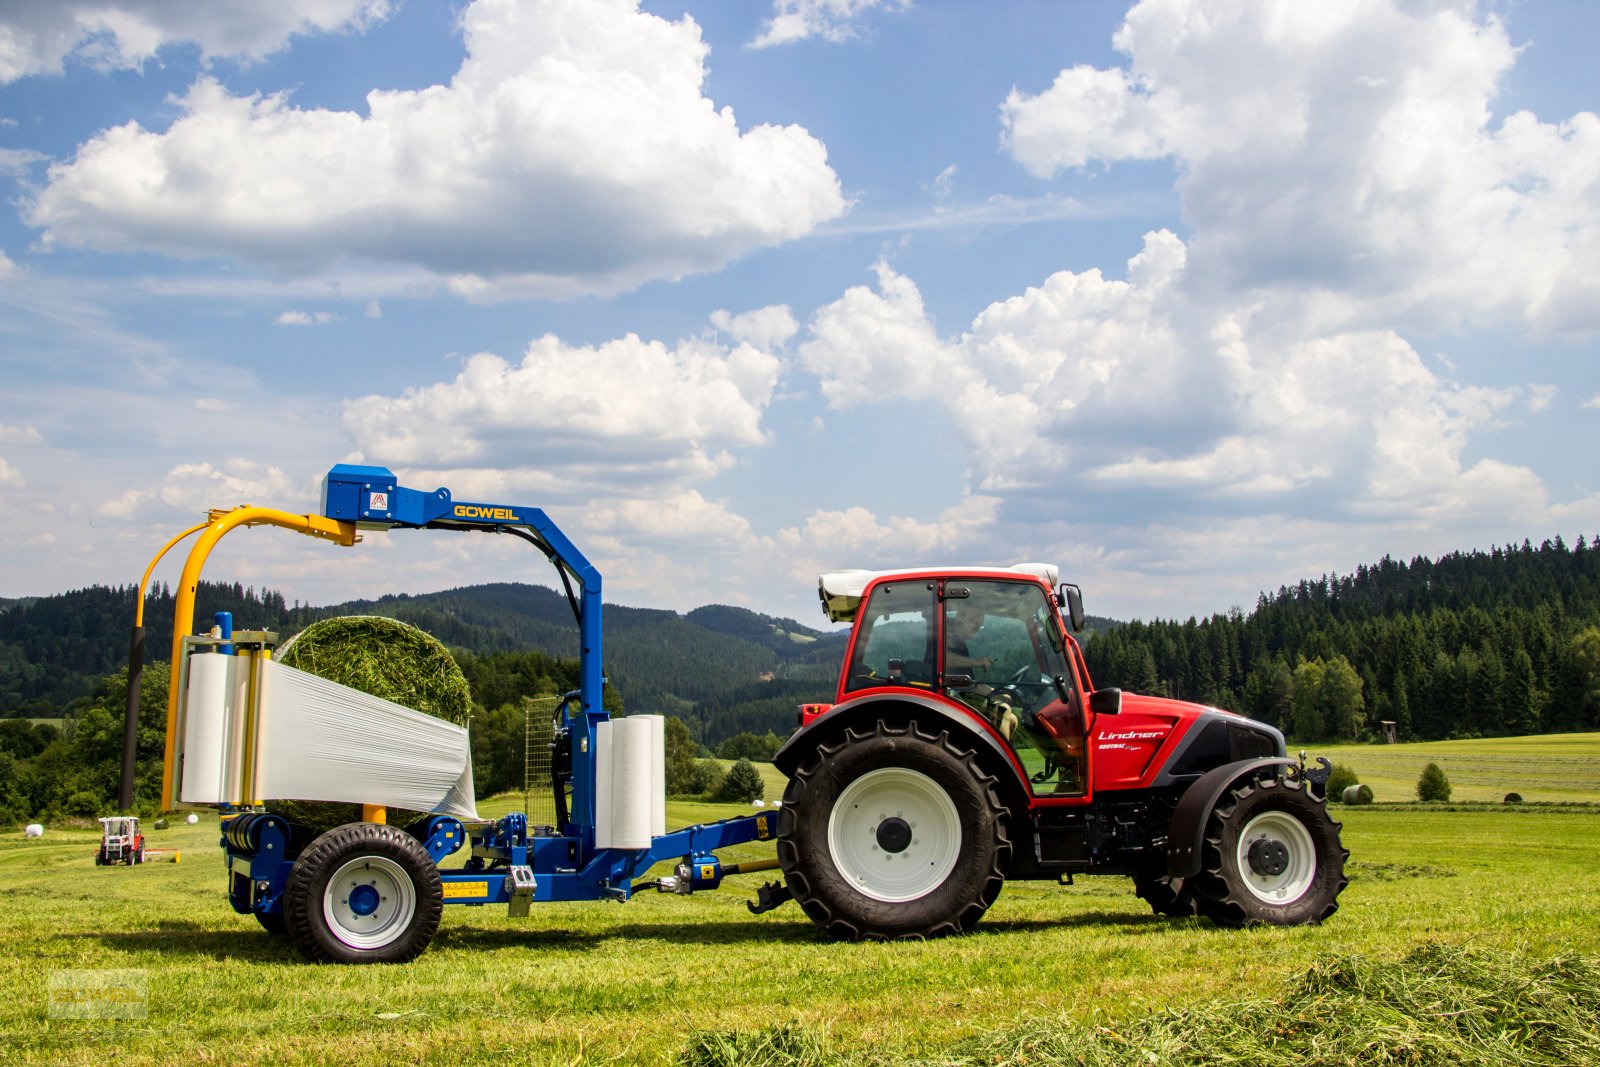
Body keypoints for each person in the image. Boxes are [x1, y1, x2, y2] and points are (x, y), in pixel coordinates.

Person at [944, 601, 992, 671]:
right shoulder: (943, 631)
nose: (977, 628)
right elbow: (941, 658)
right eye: (974, 621)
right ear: (960, 617)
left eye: (980, 625)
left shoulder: (960, 642)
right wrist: (977, 662)